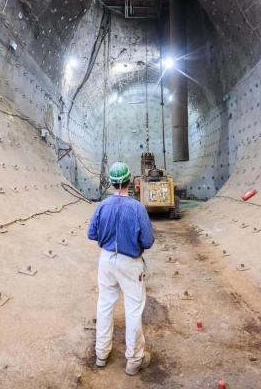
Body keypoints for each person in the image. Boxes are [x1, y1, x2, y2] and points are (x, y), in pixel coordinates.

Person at [87, 161, 155, 376]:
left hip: (106, 260)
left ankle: (101, 354)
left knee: (105, 305)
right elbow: (148, 240)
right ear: (129, 181)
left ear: (112, 182)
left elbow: (91, 234)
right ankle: (134, 361)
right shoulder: (137, 208)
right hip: (130, 262)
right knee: (133, 309)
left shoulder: (102, 205)